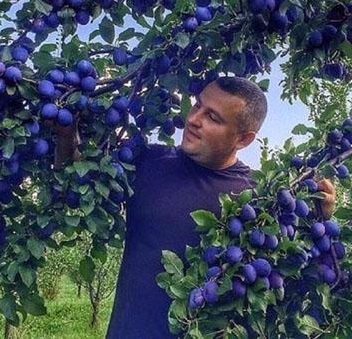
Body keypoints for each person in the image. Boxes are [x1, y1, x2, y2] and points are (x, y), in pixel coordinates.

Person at [54, 76, 336, 338]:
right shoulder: (147, 162)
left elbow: (296, 274)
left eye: (212, 117)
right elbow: (76, 182)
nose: (194, 119)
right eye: (198, 105)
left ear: (243, 139)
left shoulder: (259, 200)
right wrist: (66, 135)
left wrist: (319, 218)